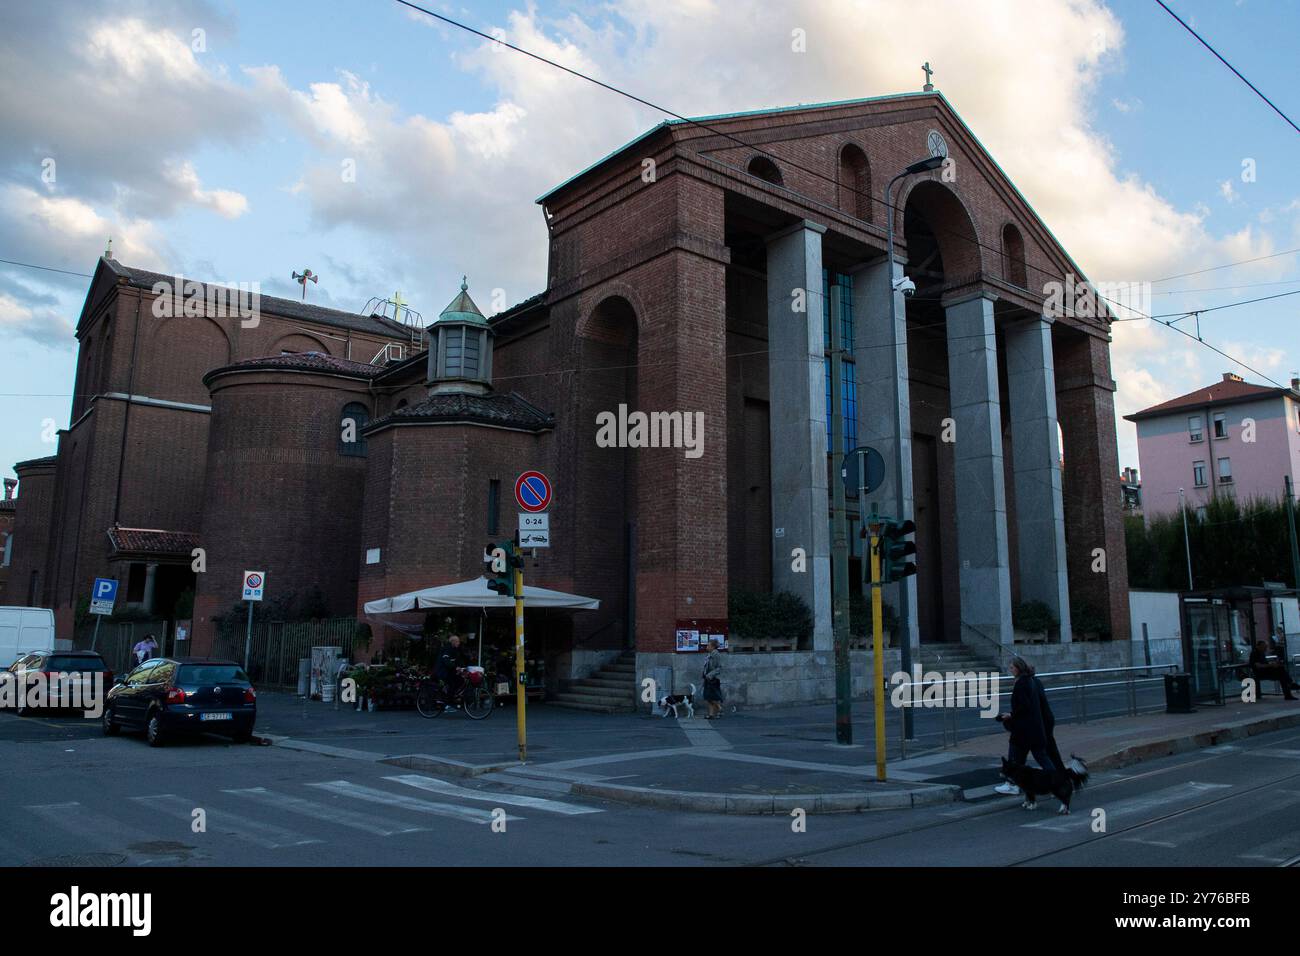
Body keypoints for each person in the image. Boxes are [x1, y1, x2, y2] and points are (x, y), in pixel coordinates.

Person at [994, 655, 1056, 795]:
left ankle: (1012, 784)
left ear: (1018, 668)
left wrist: (1010, 715)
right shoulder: (1030, 681)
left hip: (1023, 730)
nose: (1010, 670)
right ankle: (1055, 782)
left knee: (1014, 757)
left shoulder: (1021, 683)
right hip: (1034, 729)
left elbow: (1024, 706)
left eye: (1011, 668)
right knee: (1041, 757)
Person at [436, 634, 467, 708]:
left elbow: (459, 660)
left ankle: (452, 695)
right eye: (457, 641)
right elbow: (446, 661)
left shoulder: (455, 649)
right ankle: (447, 704)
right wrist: (456, 667)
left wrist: (463, 667)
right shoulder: (447, 648)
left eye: (459, 641)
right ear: (453, 642)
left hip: (450, 671)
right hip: (443, 671)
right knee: (452, 684)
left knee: (461, 680)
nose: (459, 643)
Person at [702, 639, 724, 719]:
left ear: (713, 646)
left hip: (713, 679)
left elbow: (719, 668)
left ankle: (719, 708)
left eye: (708, 645)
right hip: (708, 678)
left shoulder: (716, 655)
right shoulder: (709, 654)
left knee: (712, 696)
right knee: (708, 697)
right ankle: (711, 714)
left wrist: (710, 675)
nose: (706, 647)